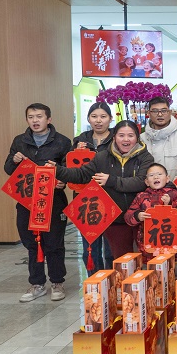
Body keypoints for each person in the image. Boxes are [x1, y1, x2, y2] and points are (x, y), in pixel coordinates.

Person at [53, 120, 154, 258]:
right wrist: (57, 170)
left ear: (137, 138)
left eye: (130, 135)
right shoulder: (102, 157)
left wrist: (111, 180)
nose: (126, 139)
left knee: (147, 258)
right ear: (114, 137)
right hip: (115, 220)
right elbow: (81, 174)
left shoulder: (146, 157)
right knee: (121, 260)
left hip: (140, 217)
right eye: (121, 135)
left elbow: (141, 182)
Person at [5, 103, 71, 302]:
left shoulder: (62, 142)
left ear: (48, 119)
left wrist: (63, 181)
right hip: (27, 201)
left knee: (54, 243)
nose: (35, 120)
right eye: (31, 117)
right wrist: (14, 160)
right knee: (31, 243)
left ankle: (57, 282)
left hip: (53, 201)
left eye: (39, 116)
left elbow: (70, 171)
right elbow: (8, 169)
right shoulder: (20, 141)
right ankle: (37, 284)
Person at [141, 96, 177, 270]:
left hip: (175, 199)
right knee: (150, 245)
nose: (160, 114)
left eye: (163, 110)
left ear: (170, 112)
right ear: (149, 113)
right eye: (155, 111)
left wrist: (169, 192)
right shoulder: (141, 139)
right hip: (147, 202)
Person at [72, 102, 114, 275]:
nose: (98, 121)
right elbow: (71, 168)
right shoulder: (79, 141)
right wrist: (76, 153)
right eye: (94, 116)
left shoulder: (118, 139)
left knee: (111, 248)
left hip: (111, 197)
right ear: (88, 119)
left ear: (110, 119)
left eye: (103, 116)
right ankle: (95, 282)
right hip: (86, 200)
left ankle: (112, 283)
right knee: (90, 248)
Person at [124, 163, 177, 263]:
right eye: (151, 175)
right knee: (151, 270)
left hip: (170, 244)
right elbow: (128, 217)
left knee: (170, 270)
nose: (155, 177)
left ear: (167, 178)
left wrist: (170, 204)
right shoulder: (141, 196)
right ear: (146, 182)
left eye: (159, 174)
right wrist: (137, 216)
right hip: (148, 246)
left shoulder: (174, 194)